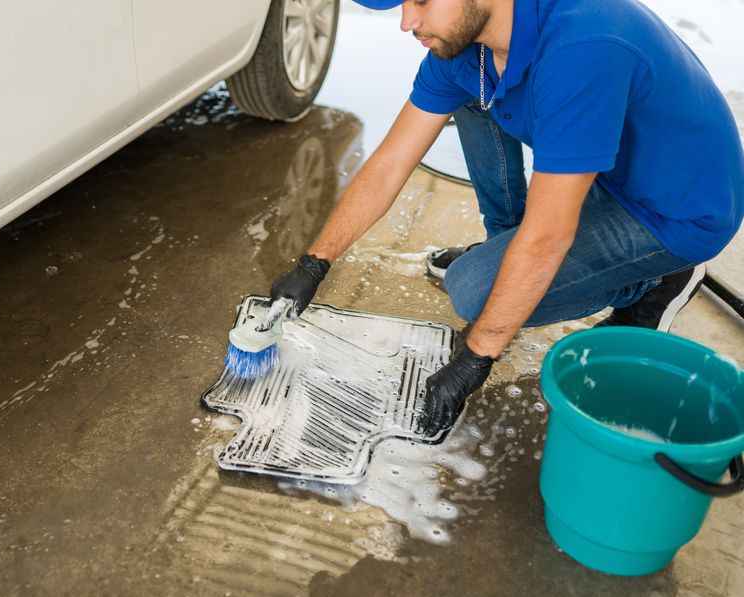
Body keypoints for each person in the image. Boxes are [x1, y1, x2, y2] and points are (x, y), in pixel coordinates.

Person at [267, 0, 744, 439]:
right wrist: (315, 261)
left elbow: (548, 237)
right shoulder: (470, 47)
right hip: (609, 172)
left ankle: (656, 279)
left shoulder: (584, 45)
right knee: (474, 93)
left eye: (421, 1)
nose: (407, 22)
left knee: (474, 291)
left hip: (673, 212)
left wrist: (475, 358)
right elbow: (391, 161)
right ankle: (506, 249)